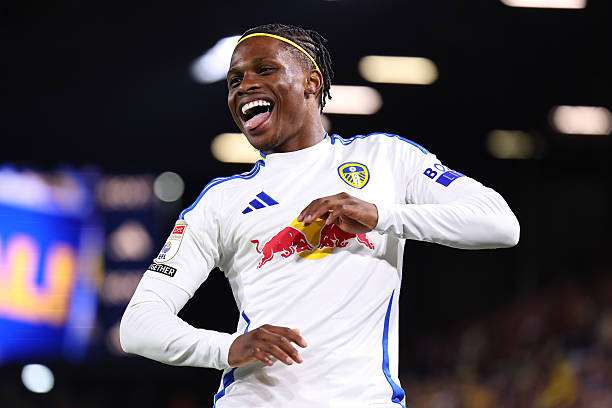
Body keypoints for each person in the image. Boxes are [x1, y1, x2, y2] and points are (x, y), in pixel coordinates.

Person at [120, 23, 520, 408]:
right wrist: (226, 347)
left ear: (311, 82)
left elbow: (500, 224)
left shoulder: (385, 158)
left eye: (265, 70)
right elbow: (138, 324)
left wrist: (379, 214)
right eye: (235, 80)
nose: (245, 85)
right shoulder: (220, 200)